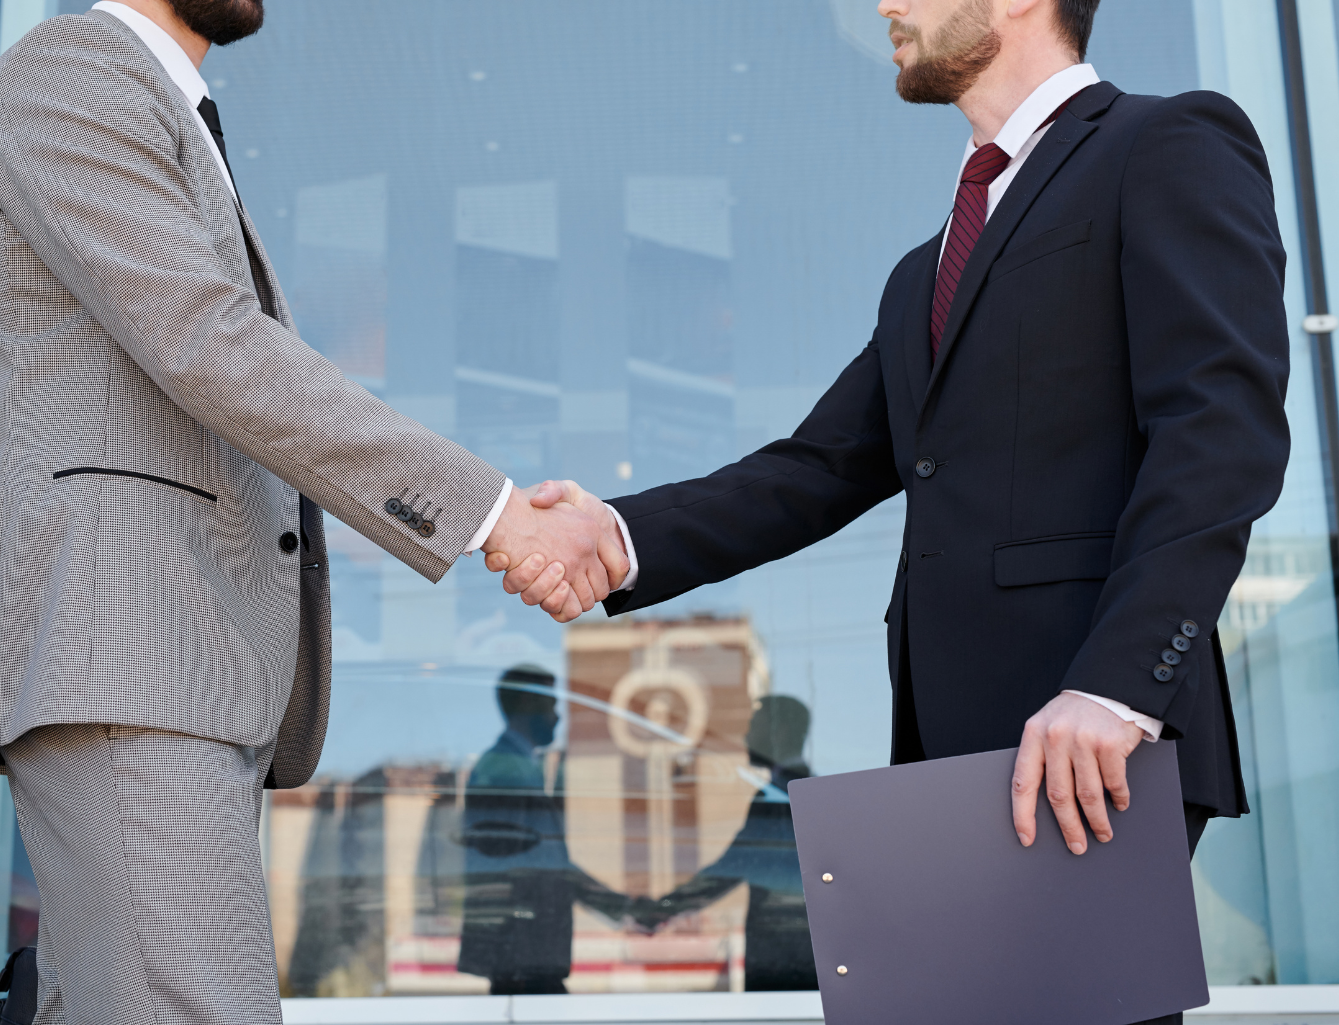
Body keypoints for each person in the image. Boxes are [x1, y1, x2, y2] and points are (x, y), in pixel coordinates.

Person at [496, 1, 1289, 1020]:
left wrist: (1121, 684)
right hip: (952, 761)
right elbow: (817, 467)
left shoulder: (1166, 141)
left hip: (1092, 745)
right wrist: (617, 535)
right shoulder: (929, 268)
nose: (885, 6)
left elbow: (1221, 427)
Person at [0, 0, 626, 1021]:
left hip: (184, 664)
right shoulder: (73, 69)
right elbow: (208, 341)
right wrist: (493, 513)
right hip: (129, 647)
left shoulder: (167, 108)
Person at [455, 666, 630, 994]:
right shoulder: (505, 770)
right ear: (526, 703)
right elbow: (522, 864)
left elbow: (541, 862)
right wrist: (622, 906)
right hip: (520, 956)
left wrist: (618, 905)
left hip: (524, 957)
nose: (557, 717)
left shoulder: (517, 767)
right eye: (551, 704)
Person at [631, 696, 817, 992]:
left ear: (779, 732)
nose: (745, 737)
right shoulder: (802, 791)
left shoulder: (783, 797)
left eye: (753, 727)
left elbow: (733, 866)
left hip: (785, 952)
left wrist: (663, 907)